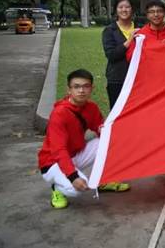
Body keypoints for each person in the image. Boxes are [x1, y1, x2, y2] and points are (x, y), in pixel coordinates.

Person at [38, 69, 130, 209]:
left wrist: (117, 142)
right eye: (76, 86)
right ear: (69, 89)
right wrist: (73, 176)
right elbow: (58, 150)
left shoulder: (91, 107)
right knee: (76, 189)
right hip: (52, 162)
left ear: (92, 88)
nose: (81, 90)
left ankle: (102, 180)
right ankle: (57, 188)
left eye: (86, 86)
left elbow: (101, 129)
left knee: (107, 142)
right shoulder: (59, 114)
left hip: (74, 155)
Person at [102, 0, 135, 109]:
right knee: (117, 111)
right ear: (116, 10)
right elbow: (111, 55)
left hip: (138, 78)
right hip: (117, 78)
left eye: (127, 7)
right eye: (120, 7)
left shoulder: (140, 27)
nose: (124, 10)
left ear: (132, 9)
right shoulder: (109, 30)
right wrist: (128, 42)